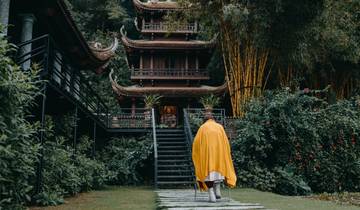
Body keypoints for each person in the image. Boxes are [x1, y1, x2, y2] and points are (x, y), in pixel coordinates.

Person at [192, 111, 237, 202]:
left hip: (207, 156)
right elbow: (226, 142)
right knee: (218, 173)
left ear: (204, 120)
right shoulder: (220, 127)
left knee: (209, 175)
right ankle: (218, 190)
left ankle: (211, 193)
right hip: (219, 156)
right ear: (213, 119)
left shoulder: (202, 128)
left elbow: (196, 144)